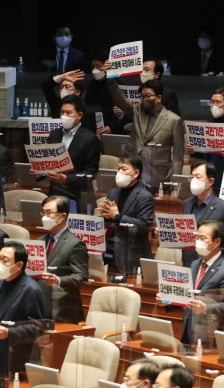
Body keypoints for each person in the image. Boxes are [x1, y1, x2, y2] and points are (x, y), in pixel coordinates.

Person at [106, 77, 185, 190]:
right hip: (133, 172)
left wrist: (175, 184)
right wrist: (110, 80)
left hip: (158, 175)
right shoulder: (137, 111)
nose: (144, 99)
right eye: (142, 97)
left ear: (158, 98)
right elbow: (120, 101)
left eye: (148, 96)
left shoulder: (174, 120)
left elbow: (178, 156)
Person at [33, 94, 100, 214]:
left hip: (77, 194)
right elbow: (50, 163)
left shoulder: (90, 139)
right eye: (62, 112)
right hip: (55, 193)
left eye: (69, 113)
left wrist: (66, 179)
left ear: (79, 115)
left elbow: (91, 173)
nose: (64, 116)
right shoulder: (54, 134)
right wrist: (39, 171)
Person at [179, 220, 224, 345]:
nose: (198, 242)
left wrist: (206, 308)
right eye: (196, 237)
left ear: (217, 242)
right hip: (189, 325)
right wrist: (167, 300)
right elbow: (188, 293)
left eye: (203, 238)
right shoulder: (195, 264)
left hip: (211, 330)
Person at [97, 154, 154, 275]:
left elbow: (144, 225)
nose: (119, 172)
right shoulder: (113, 192)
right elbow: (109, 220)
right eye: (118, 169)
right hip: (111, 247)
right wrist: (104, 216)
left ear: (136, 173)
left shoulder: (145, 196)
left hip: (132, 252)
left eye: (124, 169)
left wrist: (117, 217)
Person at [0, 241, 47, 380]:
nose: (0, 263)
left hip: (14, 356)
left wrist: (9, 332)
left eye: (5, 260)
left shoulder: (31, 290)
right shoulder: (1, 281)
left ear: (19, 265)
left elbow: (37, 326)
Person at [37, 195, 88, 323]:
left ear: (62, 216)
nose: (44, 217)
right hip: (39, 305)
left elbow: (81, 276)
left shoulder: (75, 244)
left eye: (49, 213)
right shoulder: (39, 241)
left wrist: (58, 280)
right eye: (43, 212)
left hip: (62, 308)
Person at [181, 160, 224, 267]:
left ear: (210, 181)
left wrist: (211, 241)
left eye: (198, 177)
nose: (194, 180)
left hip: (212, 265)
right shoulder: (186, 204)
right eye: (192, 177)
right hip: (188, 262)